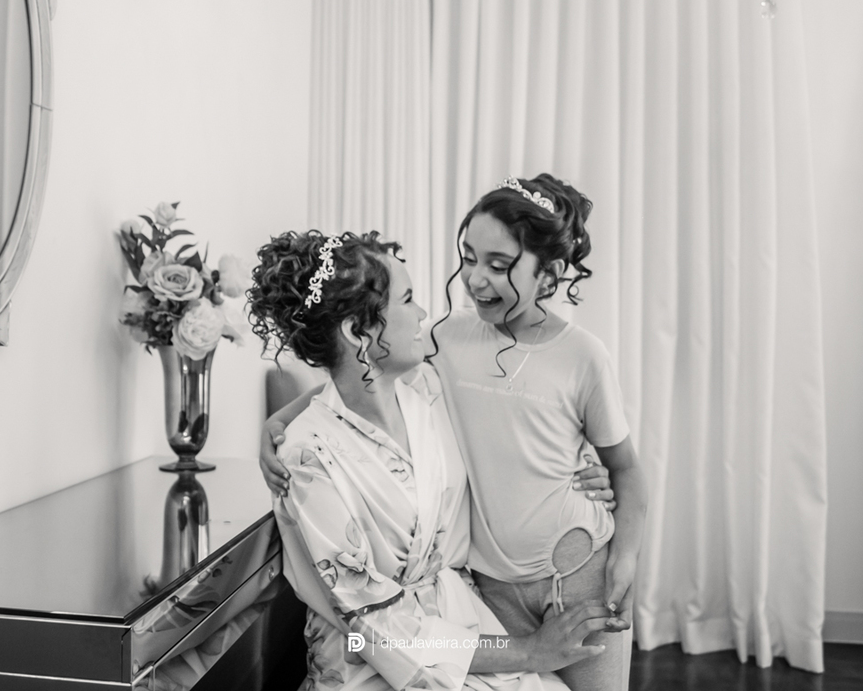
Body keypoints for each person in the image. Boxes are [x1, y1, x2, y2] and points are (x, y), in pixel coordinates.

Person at [261, 176, 648, 691]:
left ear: (550, 273)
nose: (472, 280)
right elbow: (354, 372)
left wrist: (622, 549)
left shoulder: (442, 384)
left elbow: (613, 462)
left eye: (499, 264)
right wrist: (283, 421)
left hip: (547, 583)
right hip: (454, 610)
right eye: (468, 258)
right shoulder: (443, 343)